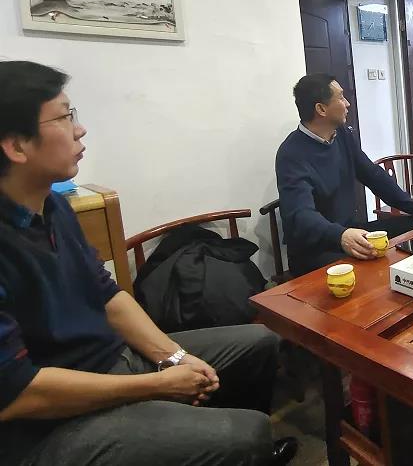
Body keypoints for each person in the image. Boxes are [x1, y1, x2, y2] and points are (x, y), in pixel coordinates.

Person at [0, 61, 298, 466]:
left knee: (260, 342)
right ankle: (237, 444)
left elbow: (108, 295)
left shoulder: (53, 205)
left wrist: (173, 357)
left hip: (115, 360)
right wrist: (156, 385)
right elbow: (18, 394)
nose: (79, 129)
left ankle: (229, 450)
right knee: (248, 432)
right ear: (17, 146)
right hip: (50, 423)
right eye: (64, 117)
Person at [276, 74, 413, 276]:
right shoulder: (291, 154)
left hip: (350, 231)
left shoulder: (342, 135)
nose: (347, 103)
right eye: (341, 97)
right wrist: (341, 235)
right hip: (316, 249)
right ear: (321, 109)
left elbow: (372, 175)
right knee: (367, 269)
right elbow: (301, 215)